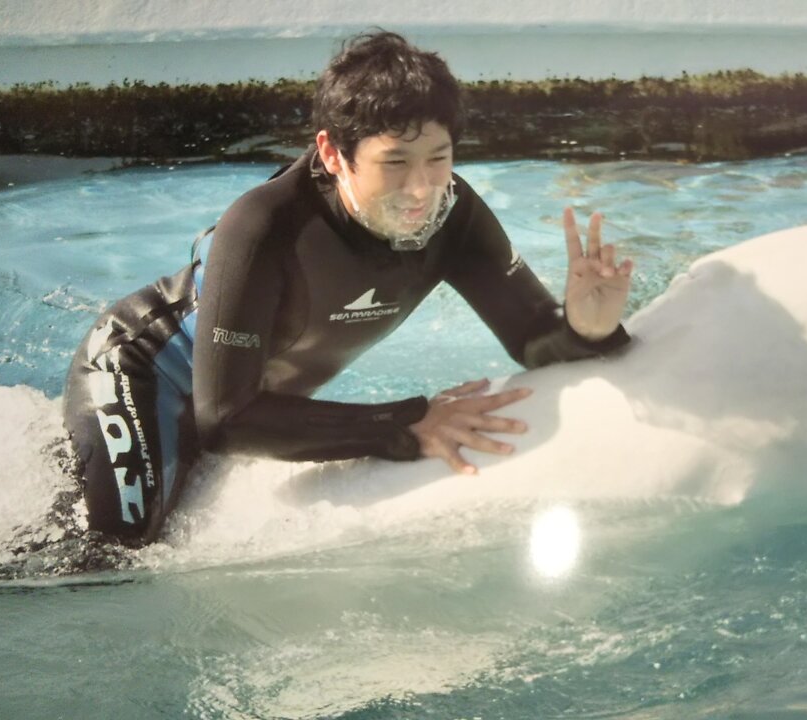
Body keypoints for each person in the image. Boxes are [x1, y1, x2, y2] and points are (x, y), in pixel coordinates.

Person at [61, 31, 634, 545]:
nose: (421, 189)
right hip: (142, 371)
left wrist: (587, 325)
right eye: (395, 163)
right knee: (110, 557)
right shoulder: (265, 226)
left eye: (439, 158)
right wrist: (403, 420)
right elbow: (225, 419)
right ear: (334, 154)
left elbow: (533, 338)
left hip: (247, 401)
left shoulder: (455, 215)